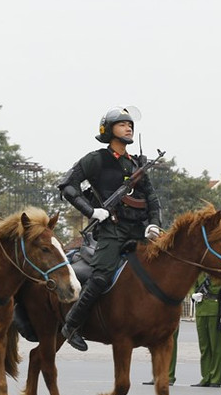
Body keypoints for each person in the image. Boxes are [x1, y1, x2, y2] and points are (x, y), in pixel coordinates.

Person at [57, 106, 163, 351]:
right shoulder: (97, 159)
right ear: (108, 130)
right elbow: (67, 185)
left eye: (130, 125)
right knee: (102, 276)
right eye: (122, 124)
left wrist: (154, 224)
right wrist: (91, 211)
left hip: (138, 230)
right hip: (111, 231)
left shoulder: (136, 164)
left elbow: (152, 198)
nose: (129, 128)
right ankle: (72, 324)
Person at [190, 272, 221, 387]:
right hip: (201, 309)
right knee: (204, 346)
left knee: (216, 346)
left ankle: (215, 378)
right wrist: (193, 295)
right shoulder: (199, 270)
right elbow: (191, 283)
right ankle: (206, 376)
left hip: (215, 309)